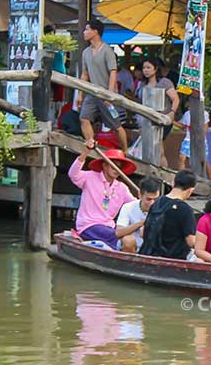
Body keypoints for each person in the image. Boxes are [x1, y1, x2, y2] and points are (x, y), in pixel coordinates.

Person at [68, 139, 137, 250]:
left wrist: (146, 202)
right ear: (104, 165)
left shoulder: (122, 188)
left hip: (109, 227)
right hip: (88, 225)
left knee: (131, 239)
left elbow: (135, 205)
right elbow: (73, 174)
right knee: (120, 238)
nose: (116, 169)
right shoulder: (90, 177)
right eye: (113, 165)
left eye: (119, 167)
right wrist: (85, 152)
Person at [77, 19, 129, 152]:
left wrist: (109, 94)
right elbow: (85, 74)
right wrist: (80, 94)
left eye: (87, 29)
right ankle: (91, 144)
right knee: (84, 118)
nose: (84, 32)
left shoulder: (107, 50)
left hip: (106, 94)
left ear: (95, 32)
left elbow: (113, 72)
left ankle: (125, 151)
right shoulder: (86, 52)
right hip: (91, 93)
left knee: (116, 126)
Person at [140, 170, 198, 259]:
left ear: (173, 183)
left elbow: (143, 233)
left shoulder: (157, 202)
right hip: (172, 260)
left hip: (148, 255)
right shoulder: (185, 210)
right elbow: (191, 241)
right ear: (191, 190)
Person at [115, 177, 162, 253]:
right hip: (131, 248)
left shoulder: (162, 210)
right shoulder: (128, 207)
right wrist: (140, 223)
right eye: (149, 199)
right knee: (128, 241)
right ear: (140, 195)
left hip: (151, 248)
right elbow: (118, 233)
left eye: (155, 199)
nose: (152, 203)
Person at [175, 108, 211, 179]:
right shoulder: (187, 114)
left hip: (200, 140)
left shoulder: (204, 113)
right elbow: (183, 126)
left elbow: (205, 128)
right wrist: (172, 122)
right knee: (181, 158)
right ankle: (181, 179)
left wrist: (200, 138)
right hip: (188, 139)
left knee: (204, 161)